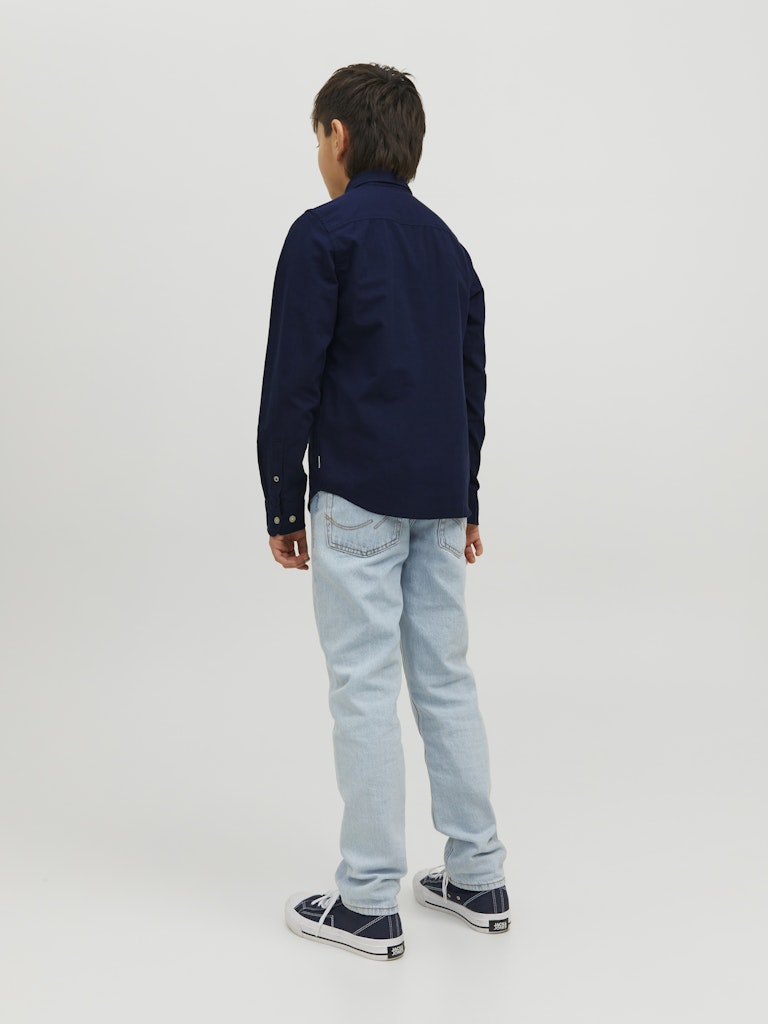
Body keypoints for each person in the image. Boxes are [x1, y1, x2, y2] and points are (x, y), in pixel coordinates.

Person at [257, 63, 508, 961]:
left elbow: (292, 378)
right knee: (445, 678)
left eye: (318, 139)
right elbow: (471, 386)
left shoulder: (322, 234)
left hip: (357, 496)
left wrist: (282, 500)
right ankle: (478, 874)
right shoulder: (449, 248)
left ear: (338, 135)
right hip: (439, 501)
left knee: (363, 686)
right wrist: (466, 500)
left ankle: (367, 898)